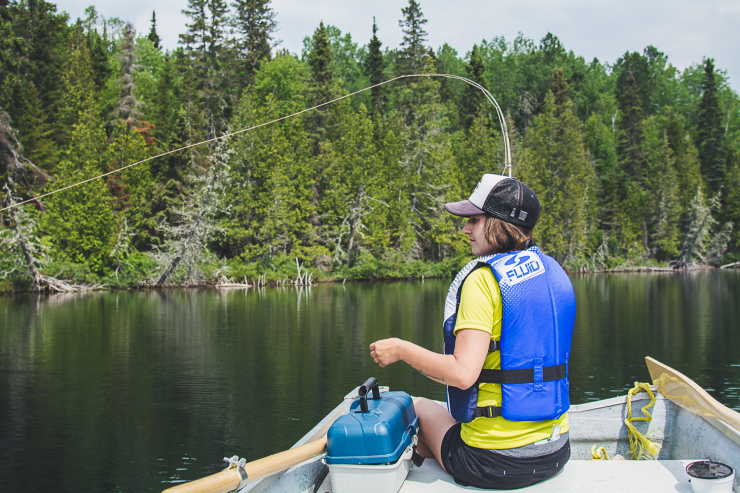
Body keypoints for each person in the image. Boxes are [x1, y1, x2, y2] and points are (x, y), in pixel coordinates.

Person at [369, 173, 575, 489]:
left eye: (474, 220)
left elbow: (463, 374)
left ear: (500, 223)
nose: (464, 229)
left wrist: (401, 349)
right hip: (557, 453)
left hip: (493, 463)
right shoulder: (554, 272)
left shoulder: (483, 281)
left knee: (417, 407)